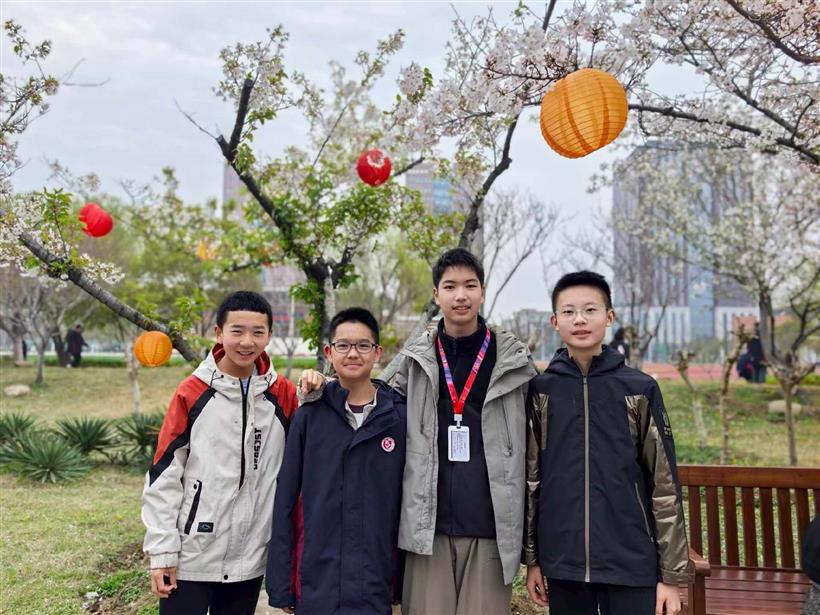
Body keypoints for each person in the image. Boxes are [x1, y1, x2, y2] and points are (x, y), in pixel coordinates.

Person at [300, 247, 537, 614]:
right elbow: (371, 394)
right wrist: (322, 384)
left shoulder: (513, 361)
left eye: (470, 286)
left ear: (483, 292)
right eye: (450, 286)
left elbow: (536, 450)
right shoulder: (416, 358)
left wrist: (532, 547)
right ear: (436, 294)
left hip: (491, 526)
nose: (460, 295)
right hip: (428, 528)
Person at [524, 271, 693, 615]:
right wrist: (533, 560)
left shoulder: (639, 389)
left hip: (631, 560)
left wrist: (671, 576)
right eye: (569, 311)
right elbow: (532, 478)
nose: (580, 319)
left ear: (609, 316)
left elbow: (663, 484)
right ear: (555, 322)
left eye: (590, 309)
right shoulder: (542, 390)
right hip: (563, 562)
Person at [141, 291, 302, 615]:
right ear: (219, 333)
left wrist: (319, 383)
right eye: (237, 331)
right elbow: (164, 475)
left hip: (249, 558)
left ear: (270, 335)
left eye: (257, 332)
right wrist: (162, 552)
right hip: (191, 555)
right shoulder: (193, 392)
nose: (247, 342)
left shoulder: (282, 394)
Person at [266, 307, 407, 614]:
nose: (352, 353)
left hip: (375, 580)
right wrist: (282, 586)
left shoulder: (398, 418)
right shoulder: (309, 417)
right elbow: (286, 499)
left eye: (363, 345)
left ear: (378, 353)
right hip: (317, 580)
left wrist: (401, 582)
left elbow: (406, 506)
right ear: (329, 352)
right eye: (343, 345)